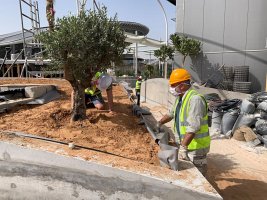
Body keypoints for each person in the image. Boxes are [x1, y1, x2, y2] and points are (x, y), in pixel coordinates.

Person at [157, 68, 210, 175]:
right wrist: (159, 123)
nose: (171, 88)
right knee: (187, 174)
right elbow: (171, 114)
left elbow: (193, 127)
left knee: (197, 176)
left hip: (195, 148)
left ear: (181, 85)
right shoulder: (180, 98)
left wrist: (183, 148)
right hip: (186, 145)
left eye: (173, 86)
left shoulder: (195, 99)